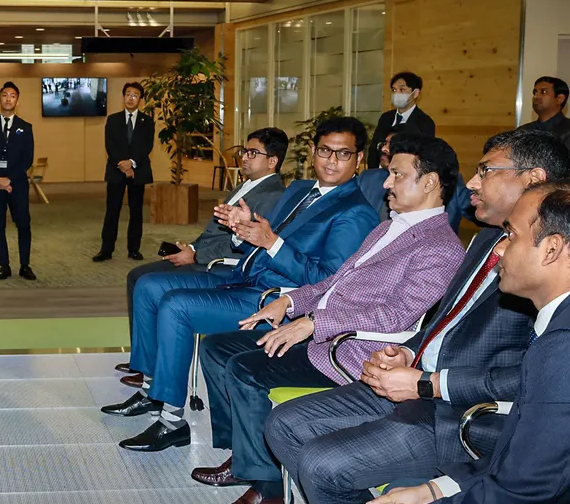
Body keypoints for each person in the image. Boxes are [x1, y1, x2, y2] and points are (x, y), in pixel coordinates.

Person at [265, 130, 570, 504]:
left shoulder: (546, 278)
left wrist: (430, 384)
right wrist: (407, 352)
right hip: (415, 380)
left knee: (322, 462)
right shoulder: (483, 241)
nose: (472, 183)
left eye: (486, 170)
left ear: (533, 180)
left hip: (460, 409)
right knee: (283, 424)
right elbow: (442, 323)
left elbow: (532, 378)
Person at [195, 134, 466, 504]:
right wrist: (290, 301)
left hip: (352, 352)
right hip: (325, 332)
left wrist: (313, 323)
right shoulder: (389, 226)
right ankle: (243, 454)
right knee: (216, 346)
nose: (385, 183)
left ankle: (268, 488)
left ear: (431, 182)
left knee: (245, 370)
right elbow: (334, 282)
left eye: (396, 175)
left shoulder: (440, 247)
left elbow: (396, 316)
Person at [103, 117, 379, 454]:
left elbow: (327, 281)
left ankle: (171, 422)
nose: (332, 161)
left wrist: (271, 242)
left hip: (276, 302)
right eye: (325, 150)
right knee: (148, 287)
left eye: (343, 154)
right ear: (312, 151)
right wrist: (243, 229)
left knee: (176, 305)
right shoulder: (299, 190)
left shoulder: (355, 212)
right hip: (244, 279)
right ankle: (153, 392)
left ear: (359, 159)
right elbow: (262, 240)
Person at [365, 181, 570, 504]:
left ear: (551, 248)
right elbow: (521, 455)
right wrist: (435, 489)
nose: (500, 250)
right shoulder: (556, 331)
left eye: (512, 236)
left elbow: (526, 493)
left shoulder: (561, 348)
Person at [119, 126, 288, 364]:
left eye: (253, 153)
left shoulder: (273, 196)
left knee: (143, 280)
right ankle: (145, 357)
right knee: (137, 277)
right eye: (245, 151)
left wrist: (196, 255)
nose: (244, 157)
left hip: (222, 267)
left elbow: (244, 245)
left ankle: (146, 363)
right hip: (204, 256)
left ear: (272, 161)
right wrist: (190, 247)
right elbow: (216, 231)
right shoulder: (246, 185)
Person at [360, 126, 474, 231]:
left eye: (391, 144)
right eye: (384, 143)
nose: (384, 148)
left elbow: (481, 212)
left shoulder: (446, 179)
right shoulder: (368, 178)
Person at [0, 82, 36, 280]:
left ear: (17, 100)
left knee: (23, 224)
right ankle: (4, 265)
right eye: (5, 95)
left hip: (17, 184)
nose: (8, 99)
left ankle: (25, 265)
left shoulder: (25, 128)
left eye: (12, 95)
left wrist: (9, 178)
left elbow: (27, 158)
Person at [93, 82, 154, 262]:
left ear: (140, 100)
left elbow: (146, 146)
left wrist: (132, 163)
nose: (131, 98)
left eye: (135, 95)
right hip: (116, 170)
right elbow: (109, 145)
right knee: (112, 211)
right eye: (128, 94)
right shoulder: (113, 119)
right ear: (123, 97)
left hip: (138, 171)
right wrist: (122, 164)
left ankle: (134, 249)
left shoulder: (147, 121)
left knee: (136, 212)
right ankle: (106, 250)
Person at [367, 72, 436, 168]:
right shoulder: (386, 118)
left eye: (402, 89)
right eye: (394, 90)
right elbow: (374, 149)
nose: (397, 93)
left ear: (415, 93)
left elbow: (424, 156)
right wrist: (372, 173)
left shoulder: (424, 122)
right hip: (379, 173)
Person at [518, 76, 570, 148]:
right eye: (535, 92)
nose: (536, 96)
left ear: (559, 99)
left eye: (543, 92)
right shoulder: (522, 131)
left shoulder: (567, 131)